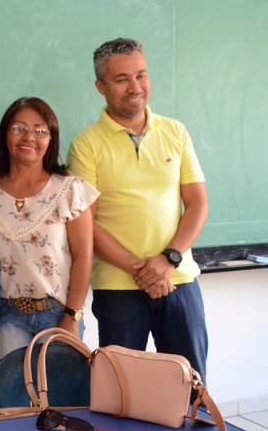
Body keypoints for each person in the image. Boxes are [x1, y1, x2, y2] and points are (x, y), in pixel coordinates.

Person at [67, 38, 208, 381]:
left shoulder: (175, 131)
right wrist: (142, 270)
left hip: (179, 280)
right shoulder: (86, 145)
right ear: (101, 86)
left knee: (192, 389)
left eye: (141, 75)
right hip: (119, 287)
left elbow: (198, 204)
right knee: (121, 391)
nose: (135, 87)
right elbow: (88, 225)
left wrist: (168, 260)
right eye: (122, 79)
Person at [0, 97, 98, 359]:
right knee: (17, 396)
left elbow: (84, 257)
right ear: (5, 134)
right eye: (19, 128)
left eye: (40, 130)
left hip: (58, 314)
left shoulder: (69, 189)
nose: (29, 137)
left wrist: (73, 315)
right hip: (9, 315)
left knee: (63, 398)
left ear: (51, 139)